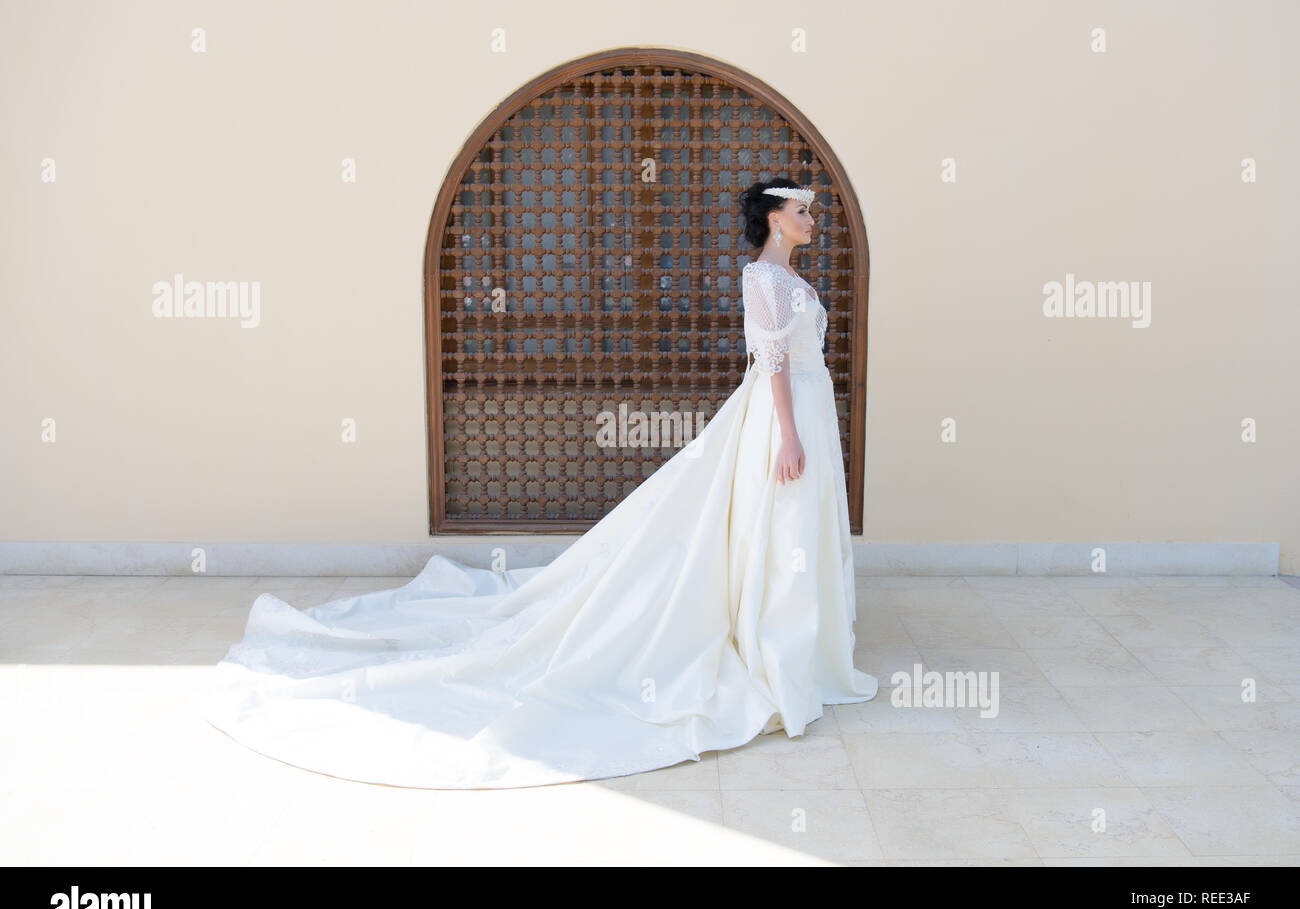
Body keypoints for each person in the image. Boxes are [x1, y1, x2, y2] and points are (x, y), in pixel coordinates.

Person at [201, 176, 878, 789]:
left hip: (810, 412)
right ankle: (777, 652)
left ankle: (804, 648)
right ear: (772, 220)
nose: (812, 220)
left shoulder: (795, 281)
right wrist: (786, 434)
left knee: (798, 525)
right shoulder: (761, 279)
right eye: (801, 212)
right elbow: (774, 362)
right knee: (777, 520)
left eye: (810, 212)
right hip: (780, 415)